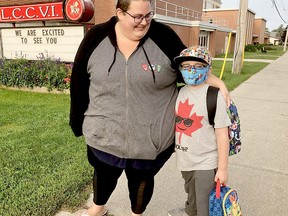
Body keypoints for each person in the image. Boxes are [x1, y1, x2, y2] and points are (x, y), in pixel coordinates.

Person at [69, 1, 229, 216]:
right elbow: (79, 82)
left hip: (151, 139)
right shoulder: (95, 37)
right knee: (103, 174)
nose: (144, 22)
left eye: (148, 15)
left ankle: (137, 213)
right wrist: (77, 123)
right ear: (119, 12)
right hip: (103, 134)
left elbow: (191, 66)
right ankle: (98, 207)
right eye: (137, 17)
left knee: (142, 182)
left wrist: (219, 83)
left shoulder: (163, 36)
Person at [168, 46, 231, 216]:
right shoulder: (179, 92)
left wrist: (223, 168)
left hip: (206, 161)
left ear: (208, 69)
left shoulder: (213, 95)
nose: (191, 71)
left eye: (198, 66)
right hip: (184, 159)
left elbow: (222, 135)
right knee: (191, 193)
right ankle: (190, 210)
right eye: (186, 67)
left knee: (205, 205)